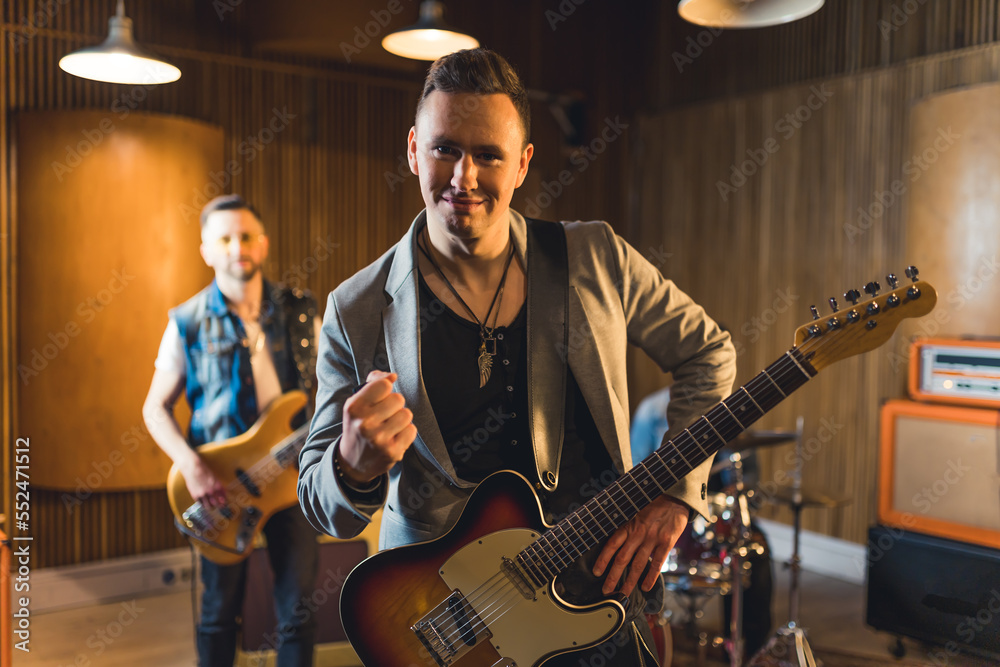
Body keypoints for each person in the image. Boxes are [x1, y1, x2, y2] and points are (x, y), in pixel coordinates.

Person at [298, 48, 736, 666]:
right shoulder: (357, 307)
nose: (464, 178)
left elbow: (709, 351)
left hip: (600, 596)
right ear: (413, 151)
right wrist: (352, 464)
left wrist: (674, 494)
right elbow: (321, 502)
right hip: (452, 626)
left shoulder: (596, 258)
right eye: (445, 148)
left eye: (488, 155)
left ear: (524, 163)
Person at [142, 194, 319, 667]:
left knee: (297, 614)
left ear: (262, 245)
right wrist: (191, 466)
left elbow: (332, 389)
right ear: (206, 250)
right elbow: (155, 409)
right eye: (224, 238)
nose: (236, 246)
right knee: (219, 614)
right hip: (219, 487)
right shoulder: (186, 322)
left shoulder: (300, 310)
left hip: (293, 481)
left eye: (245, 236)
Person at [631, 385, 775, 659]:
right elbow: (634, 472)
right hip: (665, 513)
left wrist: (737, 494)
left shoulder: (734, 410)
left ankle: (747, 648)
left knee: (755, 548)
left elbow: (749, 485)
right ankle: (643, 642)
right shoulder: (652, 410)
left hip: (716, 517)